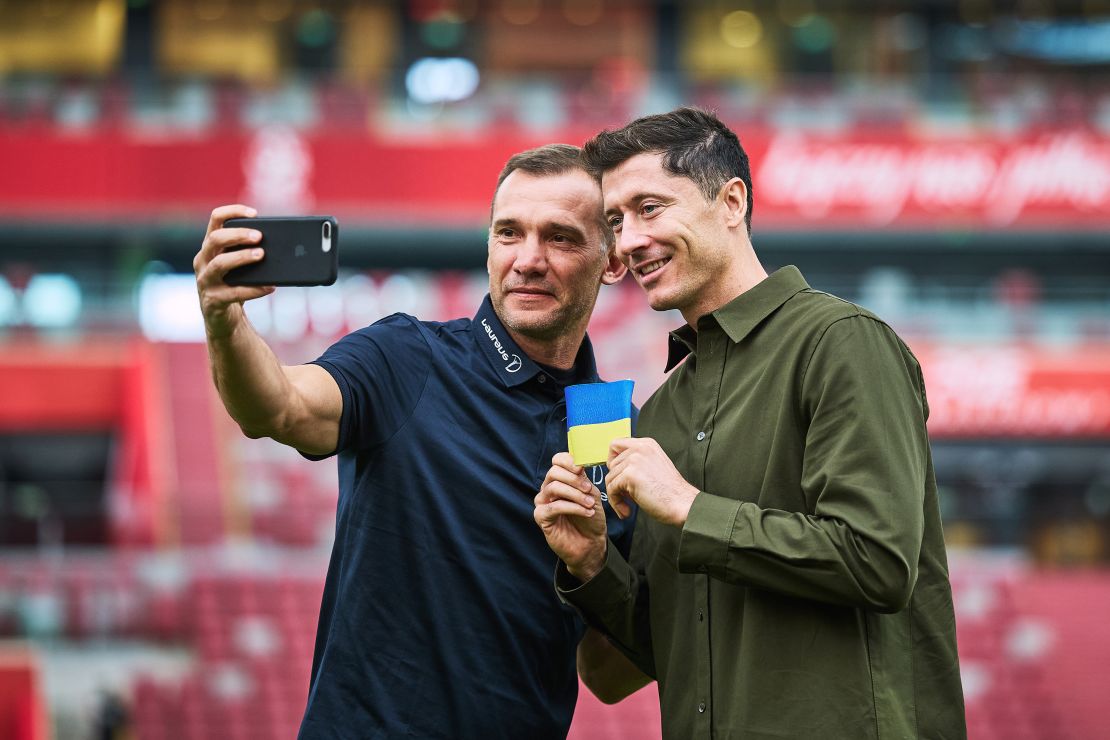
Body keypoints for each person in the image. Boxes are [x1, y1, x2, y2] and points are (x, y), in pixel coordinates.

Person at [534, 108, 966, 739]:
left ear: (731, 201)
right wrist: (593, 566)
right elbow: (638, 665)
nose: (627, 242)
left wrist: (690, 506)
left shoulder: (841, 342)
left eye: (649, 207)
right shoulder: (660, 414)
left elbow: (878, 561)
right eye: (614, 222)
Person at [193, 144, 649, 739]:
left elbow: (608, 676)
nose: (528, 259)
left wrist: (591, 566)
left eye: (560, 238)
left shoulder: (614, 429)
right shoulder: (407, 357)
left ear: (611, 261)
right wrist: (224, 322)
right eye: (509, 233)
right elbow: (278, 406)